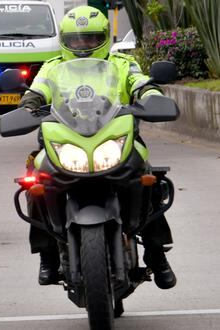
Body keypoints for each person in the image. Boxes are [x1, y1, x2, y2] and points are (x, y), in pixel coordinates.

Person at [18, 6, 176, 290]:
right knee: (35, 180)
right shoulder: (52, 67)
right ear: (65, 40)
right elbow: (37, 91)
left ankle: (156, 254)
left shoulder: (122, 63)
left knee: (149, 180)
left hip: (115, 137)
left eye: (90, 39)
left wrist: (152, 95)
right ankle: (48, 255)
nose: (83, 45)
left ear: (103, 38)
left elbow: (139, 84)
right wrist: (28, 105)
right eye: (76, 40)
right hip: (65, 140)